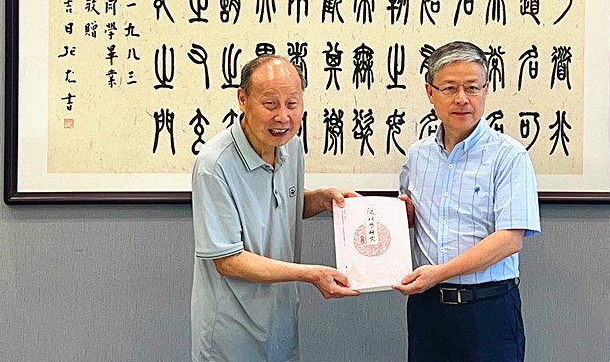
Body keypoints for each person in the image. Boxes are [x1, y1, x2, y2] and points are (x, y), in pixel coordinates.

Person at [191, 55, 360, 362]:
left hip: (280, 322)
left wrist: (321, 199)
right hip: (232, 329)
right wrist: (311, 273)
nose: (283, 117)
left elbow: (281, 204)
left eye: (292, 104)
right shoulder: (214, 164)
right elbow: (228, 260)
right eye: (270, 104)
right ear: (243, 100)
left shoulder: (290, 146)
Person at [393, 41, 540, 362]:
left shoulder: (509, 156)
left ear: (486, 90)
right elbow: (411, 217)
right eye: (449, 88)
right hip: (427, 309)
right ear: (430, 93)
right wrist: (397, 217)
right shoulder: (417, 156)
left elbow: (510, 239)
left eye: (472, 88)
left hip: (488, 310)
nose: (462, 98)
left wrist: (439, 272)